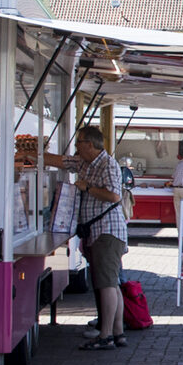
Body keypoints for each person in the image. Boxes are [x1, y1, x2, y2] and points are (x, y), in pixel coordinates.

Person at [54, 125, 129, 351]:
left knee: (106, 284)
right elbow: (62, 161)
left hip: (107, 231)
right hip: (98, 232)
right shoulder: (84, 162)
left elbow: (113, 195)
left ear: (90, 144)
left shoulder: (108, 164)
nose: (76, 147)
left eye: (79, 143)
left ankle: (105, 334)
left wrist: (87, 187)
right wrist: (29, 155)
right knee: (111, 283)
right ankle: (117, 332)